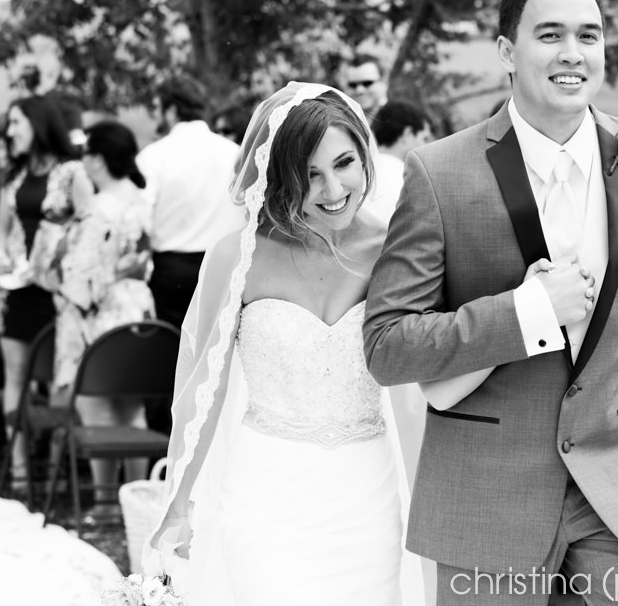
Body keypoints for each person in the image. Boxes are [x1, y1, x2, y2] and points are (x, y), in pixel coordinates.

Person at [362, 0, 618, 605]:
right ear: (508, 51)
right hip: (486, 488)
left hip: (617, 482)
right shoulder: (438, 172)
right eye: (550, 34)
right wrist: (525, 311)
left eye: (588, 36)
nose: (573, 54)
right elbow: (387, 346)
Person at [145, 83, 425, 605]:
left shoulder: (396, 250)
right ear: (280, 177)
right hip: (266, 495)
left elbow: (439, 352)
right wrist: (179, 504)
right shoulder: (238, 257)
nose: (332, 188)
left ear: (367, 157)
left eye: (344, 164)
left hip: (369, 496)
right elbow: (203, 391)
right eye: (309, 174)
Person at [0, 95, 93, 488]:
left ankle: (53, 473)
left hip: (59, 294)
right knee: (14, 377)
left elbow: (90, 232)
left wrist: (59, 261)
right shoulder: (13, 178)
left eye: (16, 123)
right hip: (14, 293)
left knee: (59, 381)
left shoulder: (72, 173)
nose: (10, 131)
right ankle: (19, 473)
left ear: (37, 123)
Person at [53, 120, 155, 521]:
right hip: (138, 308)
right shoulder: (140, 199)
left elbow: (79, 275)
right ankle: (138, 500)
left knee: (95, 406)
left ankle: (106, 502)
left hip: (102, 313)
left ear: (96, 160)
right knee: (132, 409)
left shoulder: (96, 210)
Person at [137, 77, 244, 330]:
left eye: (158, 109)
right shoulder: (234, 153)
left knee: (170, 355)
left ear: (172, 110)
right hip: (224, 269)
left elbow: (139, 218)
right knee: (216, 352)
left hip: (170, 274)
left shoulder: (154, 156)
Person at [368, 100, 434, 224]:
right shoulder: (409, 181)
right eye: (424, 138)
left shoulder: (360, 173)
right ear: (408, 134)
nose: (427, 145)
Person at [344, 53, 389, 122]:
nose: (359, 90)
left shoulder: (399, 119)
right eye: (353, 85)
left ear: (384, 81)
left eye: (367, 83)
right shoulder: (344, 122)